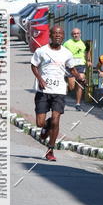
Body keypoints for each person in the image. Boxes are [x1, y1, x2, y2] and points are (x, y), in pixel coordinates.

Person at [31, 25, 82, 162]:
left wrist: (79, 77)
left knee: (56, 119)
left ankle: (50, 150)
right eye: (55, 33)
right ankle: (46, 126)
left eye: (60, 34)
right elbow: (34, 66)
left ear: (63, 37)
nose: (58, 36)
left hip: (59, 91)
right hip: (43, 90)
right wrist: (40, 79)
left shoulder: (67, 53)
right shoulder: (41, 51)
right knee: (40, 123)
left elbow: (72, 69)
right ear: (50, 35)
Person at [63, 27, 90, 111]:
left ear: (80, 34)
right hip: (70, 66)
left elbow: (88, 52)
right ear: (72, 35)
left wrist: (88, 61)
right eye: (74, 34)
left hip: (80, 65)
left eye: (77, 33)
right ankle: (64, 90)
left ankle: (78, 104)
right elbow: (62, 52)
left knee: (80, 83)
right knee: (71, 87)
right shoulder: (67, 43)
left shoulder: (83, 43)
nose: (76, 35)